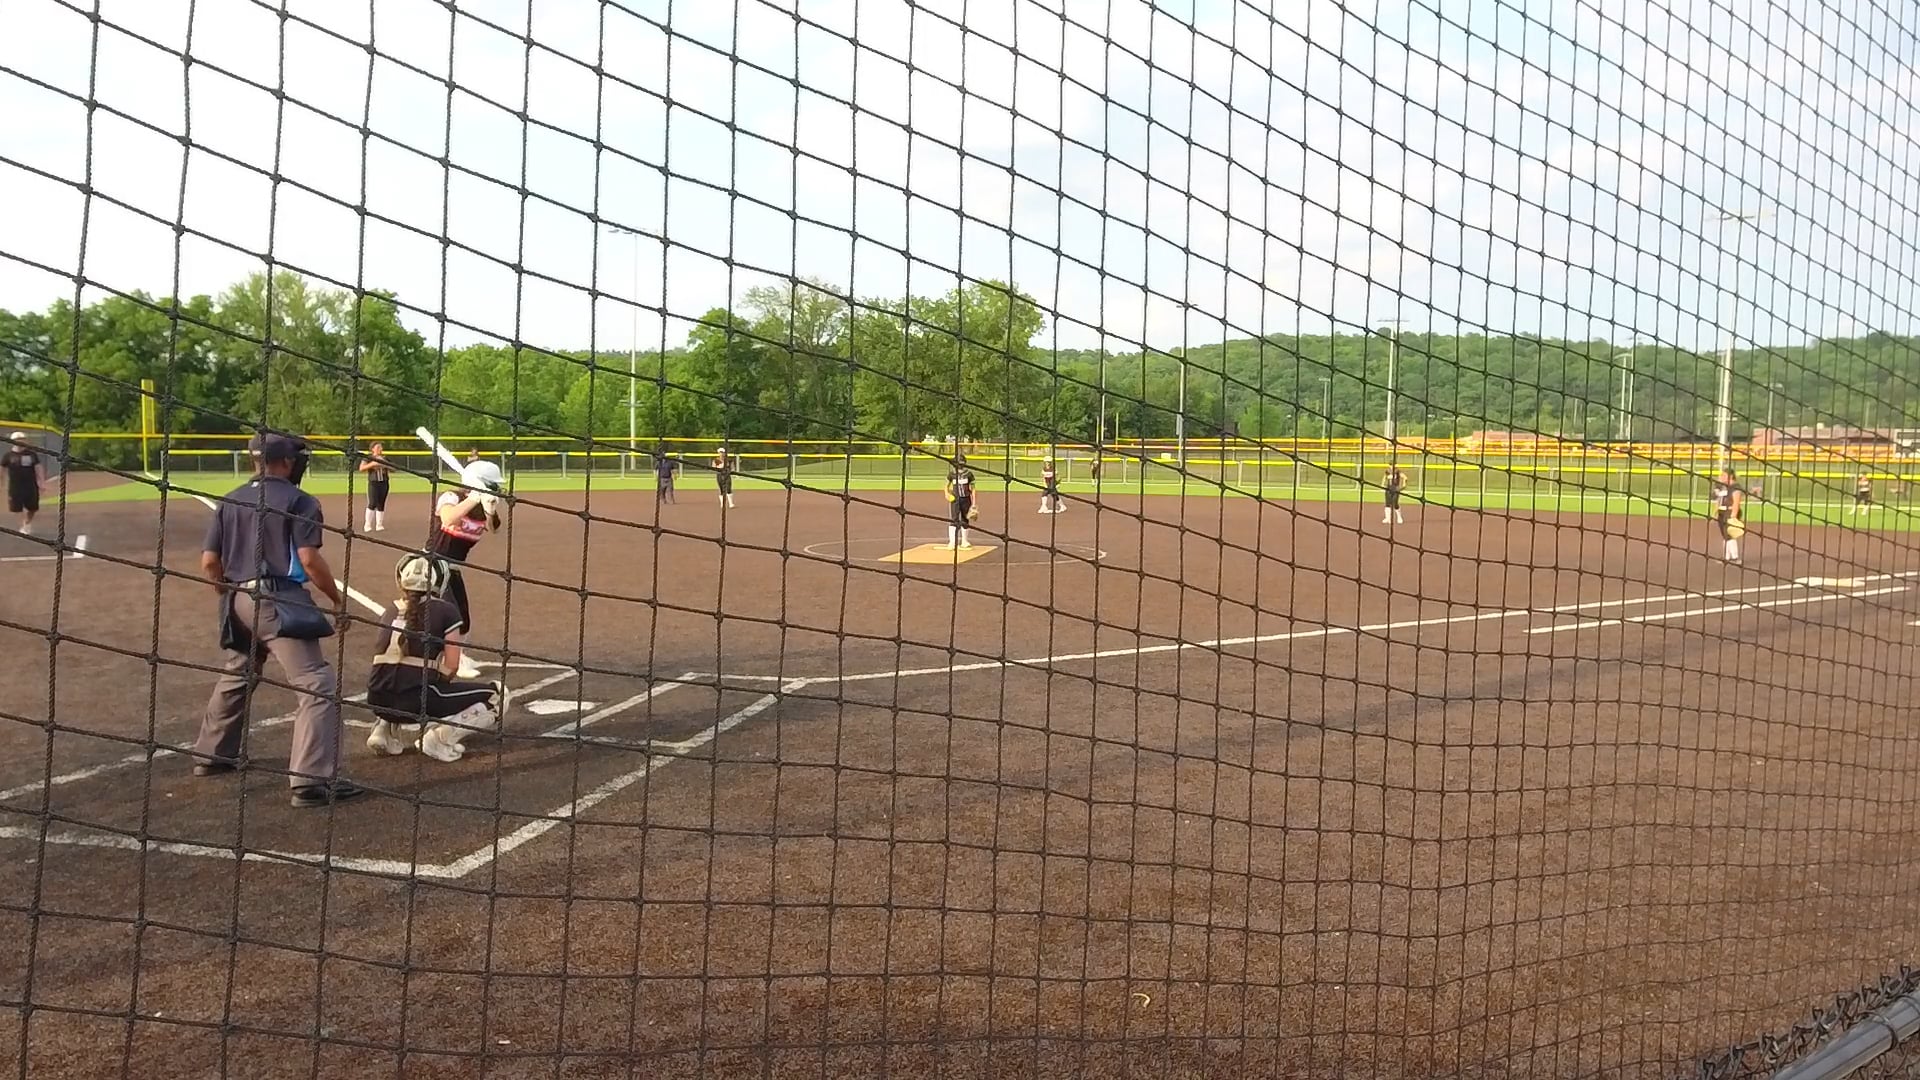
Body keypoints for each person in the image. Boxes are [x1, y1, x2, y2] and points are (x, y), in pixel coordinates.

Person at [195, 432, 367, 808]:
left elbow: (209, 562)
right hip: (277, 598)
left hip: (238, 599)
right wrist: (336, 601)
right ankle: (311, 781)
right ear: (288, 462)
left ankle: (211, 754)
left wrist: (228, 593)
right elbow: (309, 560)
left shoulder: (231, 498)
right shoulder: (299, 500)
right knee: (316, 682)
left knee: (239, 672)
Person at [364, 552, 504, 763]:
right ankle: (438, 740)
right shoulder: (445, 610)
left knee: (396, 677)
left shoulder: (390, 610)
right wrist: (440, 682)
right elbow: (452, 666)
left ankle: (382, 730)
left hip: (376, 700)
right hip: (415, 702)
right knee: (498, 696)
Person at [429, 459, 506, 679]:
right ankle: (451, 661)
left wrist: (490, 509)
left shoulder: (482, 505)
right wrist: (473, 498)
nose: (496, 488)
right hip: (433, 565)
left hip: (453, 569)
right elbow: (448, 518)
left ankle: (458, 655)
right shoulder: (451, 497)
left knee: (463, 617)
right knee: (451, 616)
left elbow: (494, 529)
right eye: (492, 484)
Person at [4, 432, 48, 535]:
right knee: (16, 508)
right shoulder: (8, 456)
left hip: (30, 485)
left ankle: (27, 523)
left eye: (23, 439)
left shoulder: (32, 455)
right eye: (18, 439)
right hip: (15, 486)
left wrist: (42, 482)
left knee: (33, 507)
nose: (21, 441)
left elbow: (38, 468)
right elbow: (2, 469)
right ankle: (23, 525)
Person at [1711, 469, 1745, 563]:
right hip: (1722, 512)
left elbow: (1736, 502)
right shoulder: (1723, 487)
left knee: (1729, 535)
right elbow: (1719, 501)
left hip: (1729, 512)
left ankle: (1735, 558)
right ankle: (1726, 557)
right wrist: (1715, 513)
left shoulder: (1735, 487)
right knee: (1725, 535)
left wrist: (1733, 516)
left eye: (1724, 475)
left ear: (1730, 476)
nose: (1721, 477)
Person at [943, 453, 977, 550]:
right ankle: (952, 542)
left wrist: (974, 502)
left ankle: (964, 541)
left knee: (965, 519)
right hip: (955, 500)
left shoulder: (969, 474)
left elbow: (973, 488)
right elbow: (946, 486)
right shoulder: (952, 474)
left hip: (966, 499)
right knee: (954, 520)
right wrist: (946, 494)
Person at [357, 441, 392, 532]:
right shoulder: (368, 458)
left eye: (381, 447)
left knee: (381, 503)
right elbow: (361, 468)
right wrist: (373, 464)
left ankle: (379, 524)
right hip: (373, 483)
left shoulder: (385, 458)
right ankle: (367, 524)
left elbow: (394, 468)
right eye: (378, 447)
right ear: (372, 449)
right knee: (372, 503)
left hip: (384, 483)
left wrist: (385, 464)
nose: (380, 449)